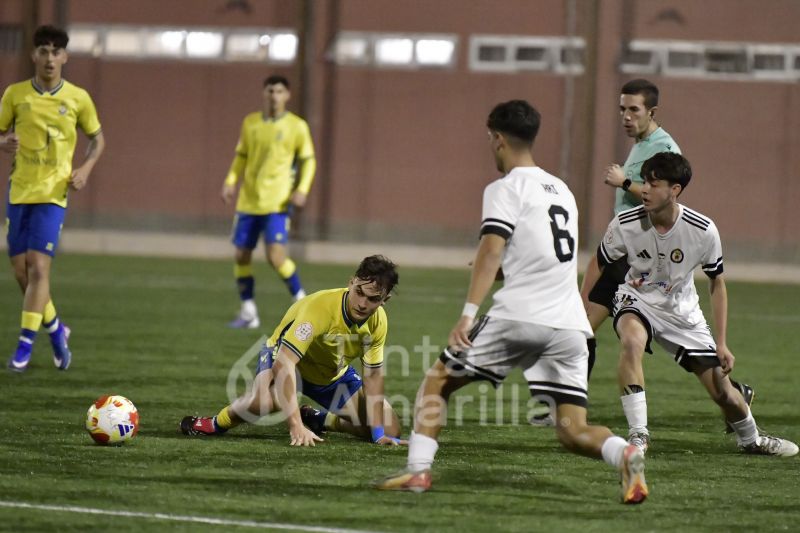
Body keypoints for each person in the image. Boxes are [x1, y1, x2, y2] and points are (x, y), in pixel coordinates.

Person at [375, 100, 648, 504]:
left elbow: (491, 251)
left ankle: (417, 473)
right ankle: (624, 453)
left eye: (490, 140)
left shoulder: (505, 188)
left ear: (498, 139)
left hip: (520, 316)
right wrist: (504, 266)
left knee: (437, 381)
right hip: (570, 324)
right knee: (572, 431)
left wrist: (468, 313)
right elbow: (542, 256)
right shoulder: (563, 191)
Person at [550, 79, 753, 433]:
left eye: (633, 110)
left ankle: (568, 408)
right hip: (627, 251)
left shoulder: (663, 146)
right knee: (585, 328)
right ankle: (570, 407)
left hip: (641, 262)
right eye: (622, 110)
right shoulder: (641, 143)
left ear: (651, 112)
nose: (626, 117)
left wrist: (623, 182)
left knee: (580, 327)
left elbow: (663, 191)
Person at [598, 151, 797, 457]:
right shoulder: (624, 224)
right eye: (644, 182)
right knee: (631, 342)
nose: (645, 190)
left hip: (683, 313)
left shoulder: (703, 230)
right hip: (636, 299)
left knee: (723, 393)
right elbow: (599, 266)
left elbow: (717, 284)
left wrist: (722, 343)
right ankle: (639, 436)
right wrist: (583, 315)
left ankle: (752, 440)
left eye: (654, 183)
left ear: (674, 190)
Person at [181, 255, 407, 447]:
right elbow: (284, 363)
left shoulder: (378, 322)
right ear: (351, 283)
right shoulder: (320, 308)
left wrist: (378, 435)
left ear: (384, 300)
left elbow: (373, 376)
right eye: (359, 292)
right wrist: (295, 425)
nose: (362, 303)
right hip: (285, 360)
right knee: (265, 400)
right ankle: (214, 423)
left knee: (391, 429)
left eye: (373, 299)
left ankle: (320, 420)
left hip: (330, 375)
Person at [1, 25, 105, 372]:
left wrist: (86, 169)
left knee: (39, 266)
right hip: (19, 191)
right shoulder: (15, 95)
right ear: (34, 55)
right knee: (21, 271)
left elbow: (98, 139)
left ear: (64, 57)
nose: (49, 57)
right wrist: (3, 143)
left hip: (53, 194)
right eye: (43, 51)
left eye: (55, 51)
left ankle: (24, 347)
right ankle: (56, 329)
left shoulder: (77, 98)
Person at [222, 74, 316, 329]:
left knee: (276, 257)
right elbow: (241, 156)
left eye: (278, 91)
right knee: (241, 256)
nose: (273, 96)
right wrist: (230, 181)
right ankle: (249, 312)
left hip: (277, 204)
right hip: (248, 202)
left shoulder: (297, 126)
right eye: (269, 91)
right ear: (263, 94)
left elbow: (309, 160)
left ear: (287, 95)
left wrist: (302, 189)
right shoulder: (250, 123)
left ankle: (303, 304)